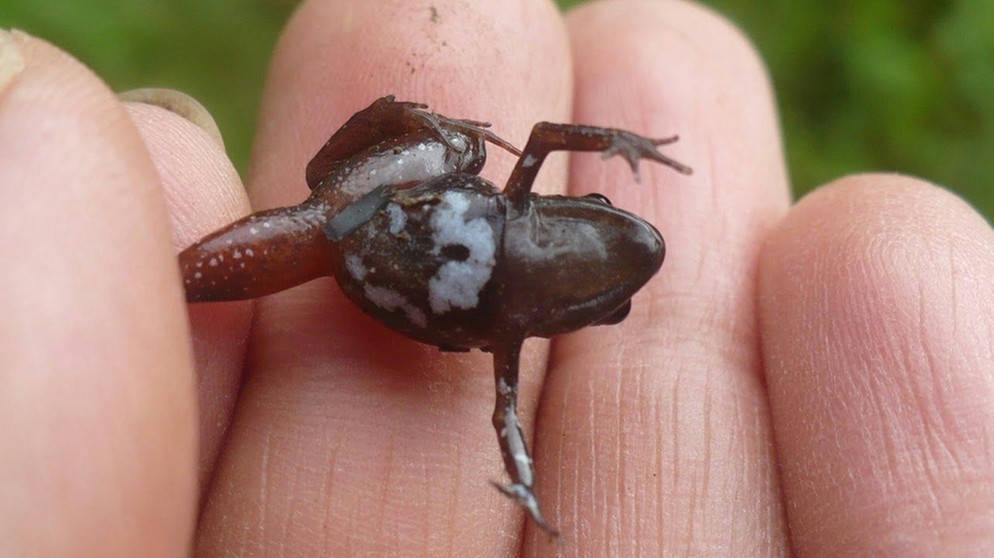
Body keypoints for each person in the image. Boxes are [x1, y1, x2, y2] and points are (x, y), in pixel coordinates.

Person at [2, 1, 993, 555]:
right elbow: (504, 419)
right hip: (364, 238)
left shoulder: (510, 285)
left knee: (378, 185)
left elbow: (553, 140)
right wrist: (521, 480)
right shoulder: (510, 349)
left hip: (365, 237)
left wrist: (616, 141)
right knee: (332, 212)